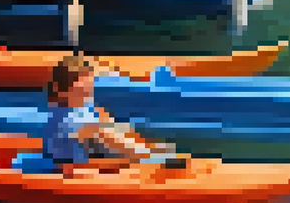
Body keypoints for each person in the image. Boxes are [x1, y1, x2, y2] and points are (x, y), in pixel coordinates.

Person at [35, 55, 185, 172]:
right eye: (81, 91)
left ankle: (146, 154)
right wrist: (131, 160)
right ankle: (149, 157)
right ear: (63, 91)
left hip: (95, 154)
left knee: (111, 126)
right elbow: (73, 166)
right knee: (101, 131)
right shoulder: (63, 122)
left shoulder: (82, 104)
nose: (86, 95)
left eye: (89, 90)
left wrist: (138, 142)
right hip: (73, 167)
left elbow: (102, 118)